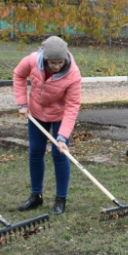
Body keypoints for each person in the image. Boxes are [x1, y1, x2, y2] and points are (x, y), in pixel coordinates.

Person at [14, 36, 82, 215]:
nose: (57, 66)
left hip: (60, 115)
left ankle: (61, 200)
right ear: (45, 58)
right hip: (36, 113)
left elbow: (72, 106)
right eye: (53, 63)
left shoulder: (73, 74)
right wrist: (22, 103)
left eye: (60, 62)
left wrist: (62, 136)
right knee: (35, 151)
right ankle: (36, 196)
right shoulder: (32, 60)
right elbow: (19, 75)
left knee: (59, 154)